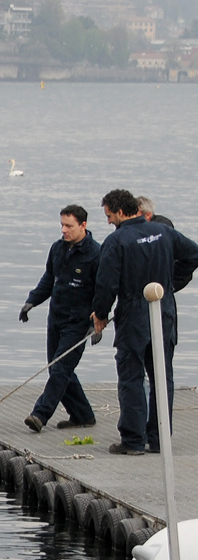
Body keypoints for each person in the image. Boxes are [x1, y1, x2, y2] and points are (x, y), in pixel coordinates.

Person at [91, 188, 198, 455]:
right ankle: (161, 438)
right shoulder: (163, 232)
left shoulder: (116, 242)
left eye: (108, 216)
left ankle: (133, 440)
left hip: (133, 314)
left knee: (131, 377)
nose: (108, 222)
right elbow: (193, 254)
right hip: (164, 311)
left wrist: (100, 315)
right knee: (163, 376)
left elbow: (106, 284)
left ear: (119, 211)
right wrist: (170, 284)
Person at [19, 205, 100, 433]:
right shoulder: (57, 249)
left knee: (61, 367)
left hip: (79, 321)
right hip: (56, 317)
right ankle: (83, 415)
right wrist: (32, 301)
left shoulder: (96, 254)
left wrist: (97, 322)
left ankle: (40, 414)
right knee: (57, 368)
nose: (64, 230)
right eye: (62, 225)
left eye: (69, 226)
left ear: (83, 225)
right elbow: (49, 278)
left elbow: (103, 290)